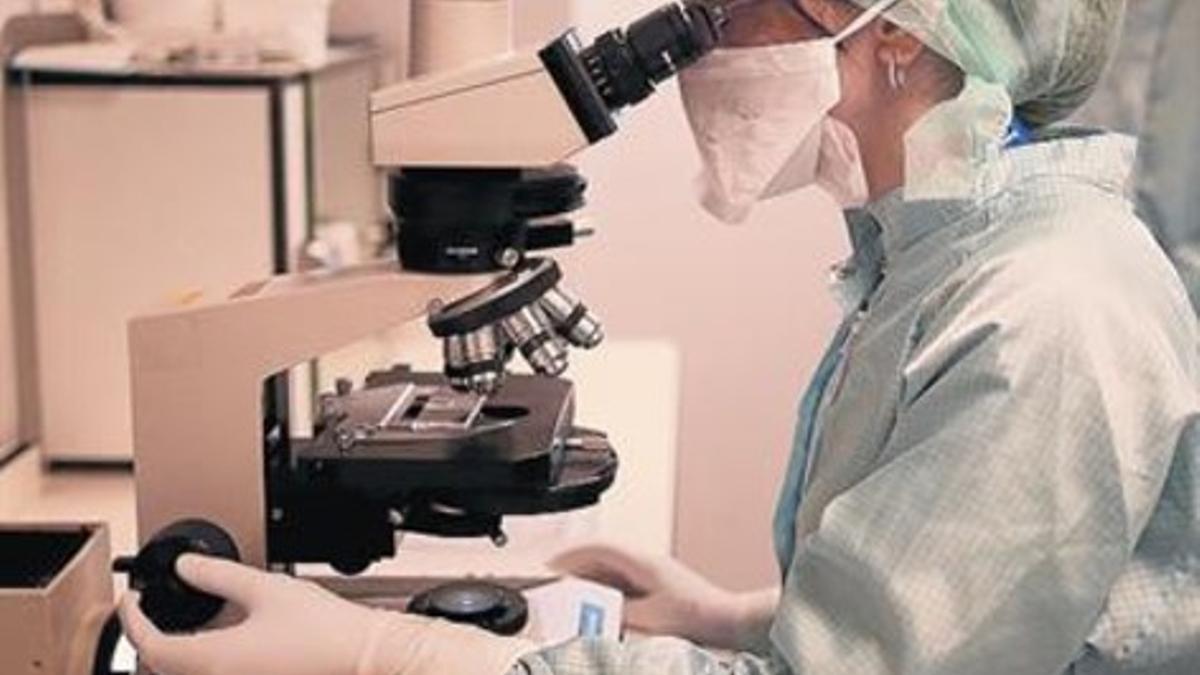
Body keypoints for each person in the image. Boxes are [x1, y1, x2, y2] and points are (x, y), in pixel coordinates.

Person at [120, 0, 1200, 673]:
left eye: (735, 11)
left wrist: (393, 657)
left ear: (899, 39)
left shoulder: (1048, 309)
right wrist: (735, 618)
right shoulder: (944, 255)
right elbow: (974, 595)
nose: (702, 41)